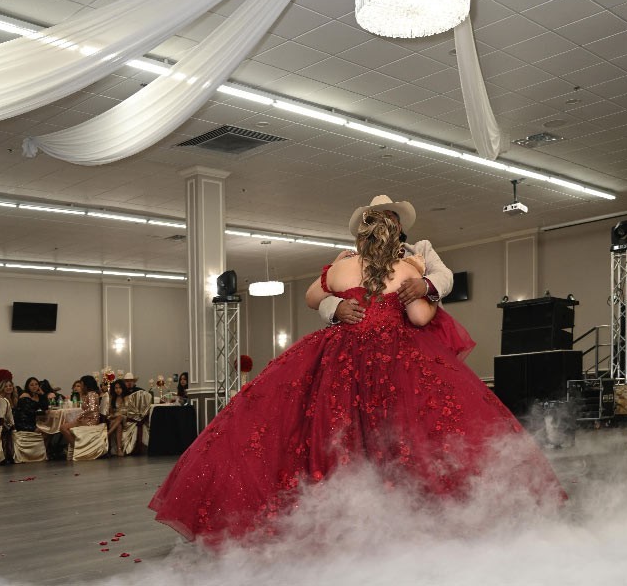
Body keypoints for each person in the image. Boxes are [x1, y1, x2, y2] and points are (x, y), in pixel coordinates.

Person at [150, 209, 565, 546]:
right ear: (394, 232)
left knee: (328, 430)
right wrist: (422, 297)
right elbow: (419, 316)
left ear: (359, 238)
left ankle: (334, 515)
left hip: (339, 357)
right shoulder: (408, 266)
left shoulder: (342, 266)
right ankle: (399, 511)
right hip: (400, 360)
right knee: (408, 432)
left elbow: (314, 293)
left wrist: (339, 302)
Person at [315, 195, 475, 360]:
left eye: (388, 220)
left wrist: (425, 285)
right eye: (378, 221)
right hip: (371, 346)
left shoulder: (421, 249)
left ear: (398, 226)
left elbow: (445, 276)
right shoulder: (353, 263)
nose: (383, 226)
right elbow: (322, 295)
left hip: (423, 340)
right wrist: (336, 308)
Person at [59, 375, 101, 450]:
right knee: (65, 426)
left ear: (86, 385)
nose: (80, 386)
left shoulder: (91, 394)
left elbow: (92, 408)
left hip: (91, 420)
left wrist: (81, 415)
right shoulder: (90, 394)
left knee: (63, 428)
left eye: (81, 384)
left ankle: (77, 448)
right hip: (87, 418)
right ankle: (76, 446)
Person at [106, 380, 128, 456]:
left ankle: (108, 433)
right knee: (119, 426)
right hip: (115, 419)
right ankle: (119, 450)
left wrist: (116, 415)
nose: (118, 390)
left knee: (120, 416)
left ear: (123, 388)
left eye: (119, 388)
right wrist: (112, 415)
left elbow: (127, 411)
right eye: (116, 388)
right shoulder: (112, 398)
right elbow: (110, 412)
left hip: (125, 418)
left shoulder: (126, 397)